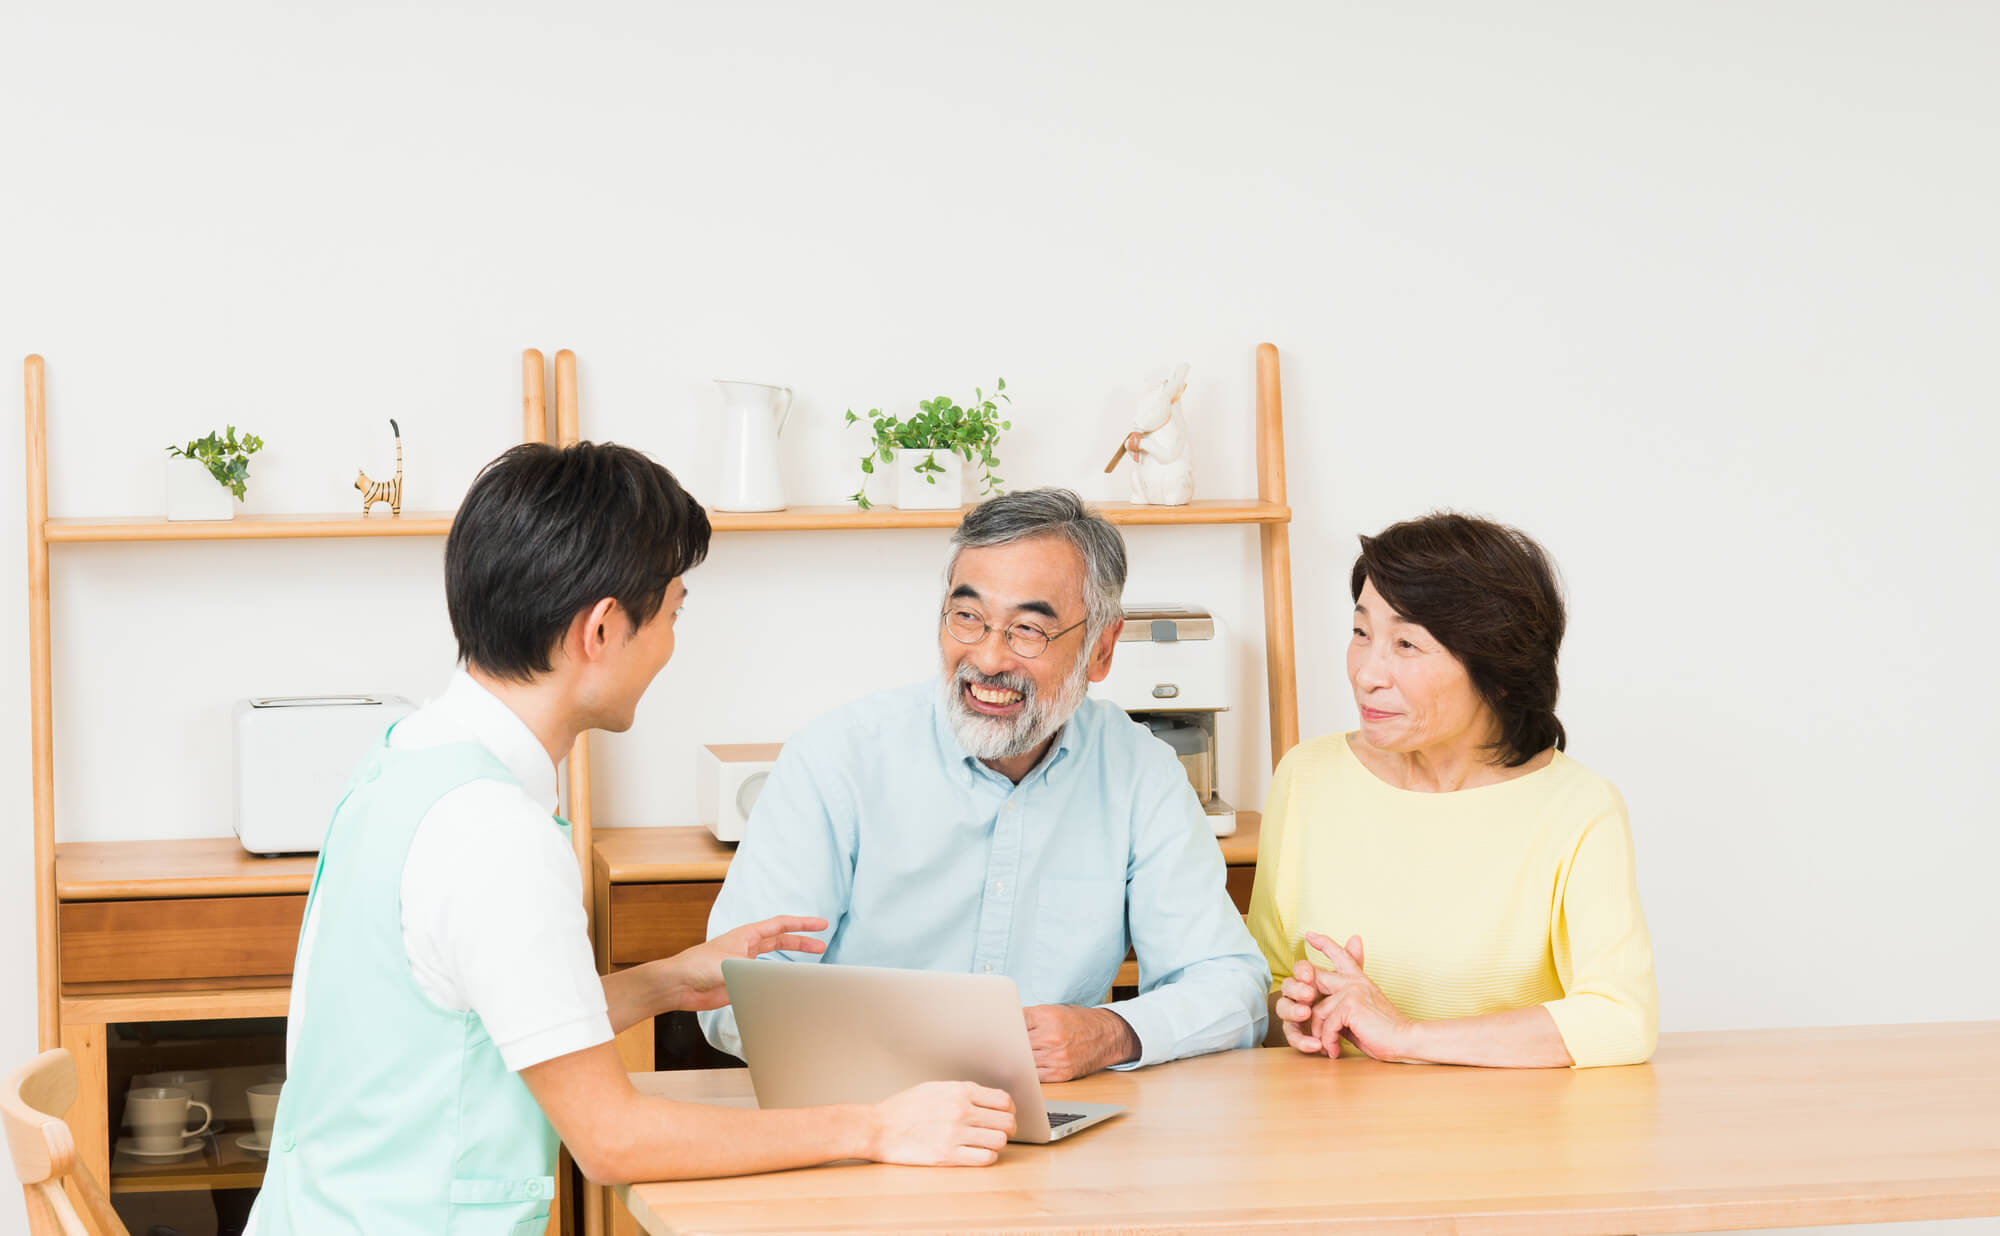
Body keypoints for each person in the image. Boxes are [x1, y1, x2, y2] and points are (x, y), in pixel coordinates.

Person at [247, 443, 1013, 1235]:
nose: (672, 645)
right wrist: (879, 1127)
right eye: (673, 613)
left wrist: (670, 984)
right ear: (603, 629)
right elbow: (615, 1141)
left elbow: (477, 1017)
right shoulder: (495, 836)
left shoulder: (408, 759)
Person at [699, 488, 1268, 1080]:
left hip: (1051, 1124)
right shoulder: (838, 759)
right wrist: (905, 1053)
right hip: (861, 1110)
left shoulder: (1139, 773)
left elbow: (1232, 987)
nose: (989, 658)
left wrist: (1111, 1033)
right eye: (967, 617)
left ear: (1100, 651)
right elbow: (734, 996)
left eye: (1028, 629)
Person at [1251, 512, 1657, 1068]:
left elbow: (1620, 1019)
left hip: (1512, 1139)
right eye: (1361, 632)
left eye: (1407, 645)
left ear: (1498, 668)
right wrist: (1299, 1013)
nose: (1368, 672)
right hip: (1335, 1135)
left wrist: (1403, 1036)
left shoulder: (1579, 808)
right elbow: (1264, 984)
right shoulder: (1307, 777)